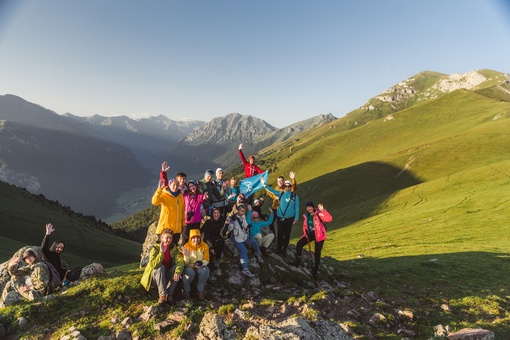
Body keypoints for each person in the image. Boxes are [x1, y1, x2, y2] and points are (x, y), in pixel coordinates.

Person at [140, 229, 184, 304]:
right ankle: (162, 296)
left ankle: (169, 294)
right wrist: (161, 253)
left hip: (165, 276)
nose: (168, 240)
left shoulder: (173, 248)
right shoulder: (155, 249)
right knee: (161, 267)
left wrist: (178, 272)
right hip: (155, 278)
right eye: (166, 237)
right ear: (161, 238)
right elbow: (153, 265)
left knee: (176, 269)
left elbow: (180, 261)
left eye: (170, 238)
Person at [293, 202, 333, 279]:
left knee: (317, 253)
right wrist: (306, 233)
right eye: (307, 207)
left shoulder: (319, 214)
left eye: (310, 207)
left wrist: (323, 210)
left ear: (313, 207)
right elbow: (305, 226)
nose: (308, 209)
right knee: (299, 244)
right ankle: (297, 262)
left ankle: (315, 270)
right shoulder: (306, 216)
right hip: (311, 234)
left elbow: (329, 219)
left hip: (319, 235)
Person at [261, 177, 299, 257]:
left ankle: (284, 249)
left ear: (291, 187)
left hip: (290, 218)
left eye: (289, 186)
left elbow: (297, 207)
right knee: (280, 233)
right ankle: (278, 249)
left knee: (287, 234)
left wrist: (296, 218)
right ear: (284, 187)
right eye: (286, 186)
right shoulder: (280, 193)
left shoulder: (295, 196)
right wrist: (264, 184)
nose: (287, 187)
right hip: (280, 217)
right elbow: (272, 190)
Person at [227, 204, 263, 278]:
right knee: (243, 251)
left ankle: (258, 252)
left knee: (253, 242)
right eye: (241, 210)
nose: (242, 212)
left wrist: (248, 226)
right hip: (236, 237)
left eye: (244, 211)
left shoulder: (242, 218)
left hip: (244, 236)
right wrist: (232, 222)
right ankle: (245, 268)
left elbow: (246, 226)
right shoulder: (232, 218)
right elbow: (229, 229)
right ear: (238, 210)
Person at [152, 176, 185, 244]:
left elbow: (183, 211)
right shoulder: (164, 195)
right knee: (164, 250)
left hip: (176, 230)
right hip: (165, 229)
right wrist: (159, 189)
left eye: (177, 185)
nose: (175, 187)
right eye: (174, 185)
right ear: (169, 185)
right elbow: (154, 202)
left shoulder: (180, 196)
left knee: (173, 251)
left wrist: (183, 225)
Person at [181, 229, 210, 300]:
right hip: (189, 267)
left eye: (198, 237)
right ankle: (186, 291)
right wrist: (186, 256)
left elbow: (206, 258)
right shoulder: (186, 246)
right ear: (190, 238)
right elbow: (184, 263)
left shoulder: (204, 246)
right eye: (193, 238)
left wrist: (202, 264)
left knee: (205, 270)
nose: (196, 240)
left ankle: (200, 290)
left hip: (199, 267)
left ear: (200, 238)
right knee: (190, 273)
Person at [182, 180, 208, 246]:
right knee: (185, 238)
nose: (192, 188)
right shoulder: (185, 195)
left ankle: (195, 251)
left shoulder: (199, 195)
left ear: (196, 186)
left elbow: (203, 198)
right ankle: (183, 253)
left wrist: (205, 198)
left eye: (193, 186)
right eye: (190, 186)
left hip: (196, 220)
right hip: (186, 220)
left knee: (195, 237)